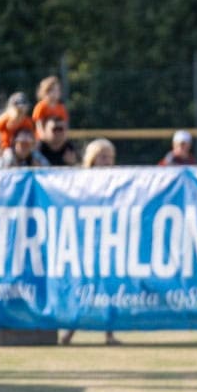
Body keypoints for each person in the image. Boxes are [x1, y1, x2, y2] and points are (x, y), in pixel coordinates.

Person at [61, 139, 121, 346]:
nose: (107, 161)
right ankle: (70, 331)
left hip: (108, 242)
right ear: (93, 159)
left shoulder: (117, 181)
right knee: (83, 289)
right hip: (86, 243)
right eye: (103, 156)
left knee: (110, 290)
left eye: (110, 157)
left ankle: (109, 333)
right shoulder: (82, 181)